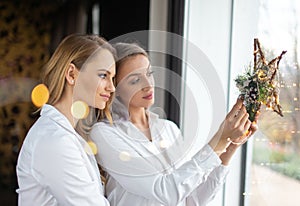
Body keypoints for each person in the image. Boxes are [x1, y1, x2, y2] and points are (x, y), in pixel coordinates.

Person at [89, 42, 258, 206]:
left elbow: (193, 201)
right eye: (135, 81)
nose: (148, 85)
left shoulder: (169, 129)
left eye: (149, 73)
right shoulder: (104, 134)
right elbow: (167, 192)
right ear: (115, 89)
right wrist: (220, 138)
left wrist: (229, 146)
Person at [16, 34, 116, 205]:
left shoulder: (67, 135)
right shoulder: (54, 140)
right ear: (71, 74)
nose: (112, 87)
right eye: (103, 75)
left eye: (112, 78)